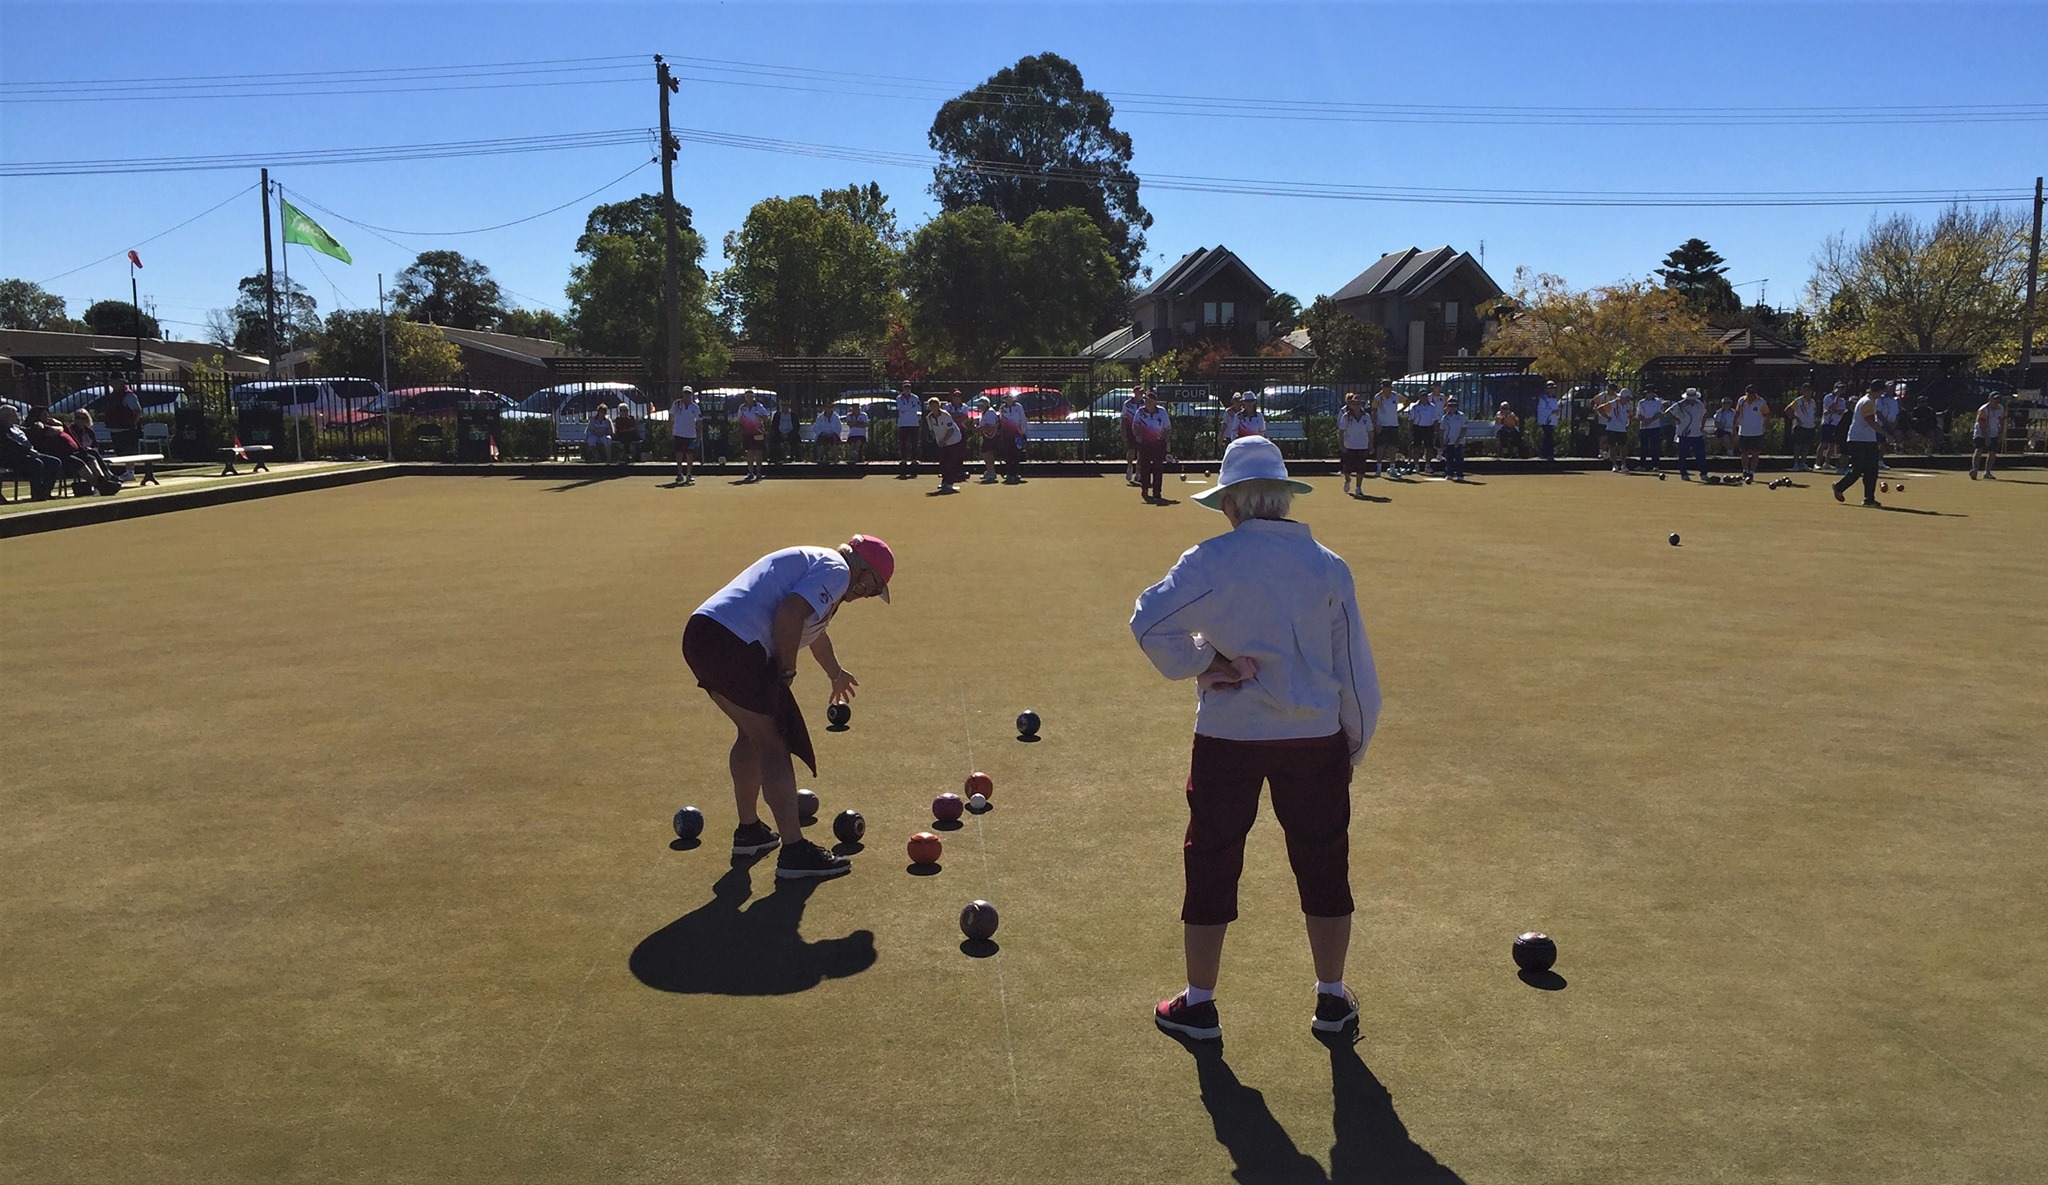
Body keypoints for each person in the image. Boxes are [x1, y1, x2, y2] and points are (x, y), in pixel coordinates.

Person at [1131, 435, 1381, 1042]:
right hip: (1314, 736)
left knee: (1212, 856)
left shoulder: (1208, 561)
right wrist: (1353, 742)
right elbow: (1354, 673)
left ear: (1231, 502)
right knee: (1324, 859)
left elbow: (1147, 622)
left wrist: (1203, 665)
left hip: (1227, 734)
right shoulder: (1327, 564)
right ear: (1281, 494)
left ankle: (1199, 1004)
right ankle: (1330, 1000)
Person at [682, 534, 895, 880]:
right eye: (874, 588)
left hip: (704, 635)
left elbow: (814, 632)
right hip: (732, 642)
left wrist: (835, 673)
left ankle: (750, 832)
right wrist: (786, 670)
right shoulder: (837, 570)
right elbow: (790, 614)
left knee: (751, 735)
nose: (867, 596)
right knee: (774, 741)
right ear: (866, 573)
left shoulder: (824, 569)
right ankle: (794, 851)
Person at [1833, 380, 1891, 507]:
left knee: (1872, 470)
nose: (1883, 394)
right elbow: (1870, 421)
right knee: (1858, 468)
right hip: (1858, 439)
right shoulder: (1867, 402)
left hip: (1868, 439)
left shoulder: (1870, 401)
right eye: (1882, 391)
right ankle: (1839, 487)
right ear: (1878, 390)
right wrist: (1886, 434)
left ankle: (1869, 499)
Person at [0, 404, 64, 501]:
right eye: (15, 414)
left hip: (30, 454)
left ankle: (46, 491)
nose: (17, 416)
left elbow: (31, 432)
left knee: (55, 462)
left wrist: (38, 425)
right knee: (36, 463)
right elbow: (11, 444)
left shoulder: (16, 428)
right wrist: (28, 450)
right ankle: (37, 494)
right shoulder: (2, 430)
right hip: (14, 458)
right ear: (7, 416)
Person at [1131, 388, 1171, 503]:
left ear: (1154, 402)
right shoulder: (1140, 411)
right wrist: (1137, 436)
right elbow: (1135, 425)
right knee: (1145, 467)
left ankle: (1157, 492)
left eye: (1149, 400)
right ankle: (1145, 489)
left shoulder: (1162, 412)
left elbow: (1168, 428)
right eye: (1146, 400)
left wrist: (1163, 437)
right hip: (1145, 443)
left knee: (1158, 468)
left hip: (1158, 444)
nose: (1147, 402)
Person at [924, 396, 964, 494]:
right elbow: (932, 430)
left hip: (954, 440)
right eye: (931, 406)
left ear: (938, 405)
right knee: (943, 463)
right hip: (941, 442)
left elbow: (951, 430)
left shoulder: (945, 415)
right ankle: (944, 482)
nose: (933, 407)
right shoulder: (929, 417)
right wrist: (934, 438)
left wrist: (944, 440)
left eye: (935, 405)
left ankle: (950, 483)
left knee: (951, 462)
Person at [104, 381, 143, 480]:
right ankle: (128, 472)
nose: (113, 384)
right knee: (121, 452)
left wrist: (132, 423)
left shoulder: (129, 395)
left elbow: (137, 411)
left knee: (129, 451)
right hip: (115, 429)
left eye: (115, 381)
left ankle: (130, 472)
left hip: (127, 429)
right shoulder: (113, 395)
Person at [1338, 392, 1373, 496]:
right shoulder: (1346, 416)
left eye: (1358, 404)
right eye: (1354, 404)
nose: (1356, 406)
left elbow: (1370, 432)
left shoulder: (1366, 417)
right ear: (1351, 405)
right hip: (1349, 446)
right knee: (1347, 469)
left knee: (1361, 468)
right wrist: (1341, 445)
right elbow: (1341, 432)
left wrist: (1370, 445)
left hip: (1362, 446)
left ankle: (1358, 488)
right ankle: (1347, 480)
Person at [1733, 384, 1770, 484]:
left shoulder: (1761, 402)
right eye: (1749, 393)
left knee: (1755, 453)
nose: (1751, 396)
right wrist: (1734, 428)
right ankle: (1745, 471)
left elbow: (1766, 415)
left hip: (1757, 432)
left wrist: (1765, 427)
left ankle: (1751, 472)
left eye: (1752, 394)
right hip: (1744, 430)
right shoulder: (1741, 400)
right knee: (1744, 452)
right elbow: (1737, 414)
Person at [1670, 387, 1710, 481]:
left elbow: (1705, 414)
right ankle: (1684, 473)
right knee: (1683, 455)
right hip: (1684, 434)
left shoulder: (1699, 404)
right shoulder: (1679, 405)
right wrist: (1677, 420)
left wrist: (1702, 426)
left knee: (1700, 455)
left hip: (1697, 433)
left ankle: (1703, 473)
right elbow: (1668, 412)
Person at [1369, 381, 1403, 477]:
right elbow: (1374, 412)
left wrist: (1399, 411)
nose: (1387, 389)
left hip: (1393, 425)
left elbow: (1407, 401)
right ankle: (1378, 468)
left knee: (1392, 447)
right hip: (1382, 425)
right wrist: (1375, 424)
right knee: (1380, 447)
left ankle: (1392, 468)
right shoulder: (1377, 397)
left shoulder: (1396, 396)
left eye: (1388, 387)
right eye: (1385, 387)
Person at [1595, 384, 1632, 473]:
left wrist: (1628, 423)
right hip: (1612, 428)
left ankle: (1623, 465)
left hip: (1622, 429)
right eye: (1627, 397)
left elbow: (1630, 415)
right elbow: (1599, 408)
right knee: (1612, 447)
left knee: (1623, 447)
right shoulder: (1613, 403)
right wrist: (1607, 417)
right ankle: (1614, 465)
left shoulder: (1628, 405)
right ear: (1623, 397)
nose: (1628, 399)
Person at [1407, 385, 1443, 475]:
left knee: (1429, 448)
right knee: (1416, 448)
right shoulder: (1415, 407)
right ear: (1419, 396)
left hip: (1428, 428)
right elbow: (1411, 420)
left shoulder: (1432, 407)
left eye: (1425, 395)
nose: (1424, 397)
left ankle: (1427, 466)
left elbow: (1435, 420)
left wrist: (1436, 432)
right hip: (1417, 428)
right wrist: (1410, 430)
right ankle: (1416, 466)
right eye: (1422, 395)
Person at [1971, 392, 2007, 480]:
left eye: (1998, 399)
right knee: (1979, 449)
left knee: (1992, 452)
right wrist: (1986, 437)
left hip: (1994, 432)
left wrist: (2001, 433)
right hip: (1980, 432)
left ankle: (1987, 472)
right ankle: (1975, 470)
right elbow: (1982, 425)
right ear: (1989, 399)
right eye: (1994, 399)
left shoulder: (2001, 408)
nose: (1996, 401)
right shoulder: (1983, 409)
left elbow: (2002, 421)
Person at [736, 393, 770, 482]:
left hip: (758, 432)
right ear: (745, 398)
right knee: (749, 453)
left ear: (753, 397)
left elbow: (766, 418)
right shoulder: (742, 407)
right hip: (747, 433)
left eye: (750, 396)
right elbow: (739, 419)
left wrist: (760, 416)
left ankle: (758, 472)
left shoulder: (759, 406)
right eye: (747, 396)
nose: (749, 398)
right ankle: (750, 472)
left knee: (758, 453)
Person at [1784, 384, 1818, 471]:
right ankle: (1795, 464)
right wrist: (1795, 417)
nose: (1808, 392)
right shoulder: (1798, 401)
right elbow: (1787, 409)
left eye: (1809, 390)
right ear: (1803, 391)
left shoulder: (1813, 402)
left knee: (1806, 445)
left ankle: (1803, 463)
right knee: (1798, 445)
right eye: (1806, 390)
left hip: (1810, 426)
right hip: (1800, 426)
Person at [670, 387, 700, 486]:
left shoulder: (695, 407)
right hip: (678, 433)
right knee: (679, 453)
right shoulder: (676, 404)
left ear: (691, 394)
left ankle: (689, 474)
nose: (687, 395)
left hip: (691, 434)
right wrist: (670, 430)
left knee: (689, 455)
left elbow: (699, 420)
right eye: (685, 393)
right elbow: (671, 417)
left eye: (689, 393)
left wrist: (699, 435)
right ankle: (679, 473)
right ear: (682, 393)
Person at [1633, 388, 1667, 473]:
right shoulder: (1641, 402)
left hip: (1655, 427)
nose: (1650, 394)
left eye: (1651, 393)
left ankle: (1655, 465)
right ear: (1646, 393)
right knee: (1643, 447)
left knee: (1654, 447)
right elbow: (1639, 414)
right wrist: (1645, 421)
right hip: (1644, 427)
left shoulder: (1658, 401)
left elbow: (1659, 413)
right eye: (1649, 393)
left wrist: (1650, 420)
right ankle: (1642, 465)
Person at [998, 389, 1028, 484]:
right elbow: (1001, 420)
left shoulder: (1019, 407)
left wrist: (1023, 432)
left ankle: (1015, 473)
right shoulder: (1002, 408)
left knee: (1016, 454)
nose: (1009, 400)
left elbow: (1023, 419)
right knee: (1007, 454)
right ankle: (1009, 473)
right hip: (1006, 434)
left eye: (1010, 398)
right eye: (1007, 398)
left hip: (1017, 434)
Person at [1818, 381, 1849, 473]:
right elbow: (1831, 408)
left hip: (1837, 424)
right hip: (1827, 423)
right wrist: (1836, 400)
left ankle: (1827, 463)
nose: (1840, 390)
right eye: (1839, 388)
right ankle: (1817, 463)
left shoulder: (1843, 401)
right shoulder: (1828, 397)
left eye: (1842, 388)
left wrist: (1833, 410)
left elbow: (1841, 411)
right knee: (1824, 443)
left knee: (1832, 445)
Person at [895, 383, 923, 478]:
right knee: (903, 443)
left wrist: (907, 409)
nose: (907, 389)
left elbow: (918, 408)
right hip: (903, 424)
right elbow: (901, 408)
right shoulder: (899, 398)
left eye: (909, 387)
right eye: (905, 388)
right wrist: (911, 408)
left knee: (914, 442)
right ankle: (903, 459)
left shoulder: (915, 397)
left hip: (914, 423)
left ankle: (914, 459)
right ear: (902, 388)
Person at [1120, 388, 1145, 486]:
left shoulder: (1145, 403)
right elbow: (1123, 419)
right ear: (1135, 393)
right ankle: (1130, 467)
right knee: (1131, 451)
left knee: (1141, 453)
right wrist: (1123, 432)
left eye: (1142, 392)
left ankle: (1138, 474)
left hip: (1142, 430)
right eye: (1139, 392)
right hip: (1130, 430)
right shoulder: (1127, 404)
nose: (1141, 394)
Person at [1440, 398, 1468, 482]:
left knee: (1459, 458)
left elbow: (1464, 429)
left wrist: (1458, 439)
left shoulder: (1461, 416)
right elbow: (1441, 430)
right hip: (1448, 441)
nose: (1452, 408)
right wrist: (1441, 441)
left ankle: (1460, 474)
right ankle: (1449, 473)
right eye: (1450, 406)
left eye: (1454, 406)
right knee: (1449, 458)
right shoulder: (1445, 417)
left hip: (1458, 442)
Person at [1876, 382, 1904, 470]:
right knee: (1877, 443)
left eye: (1893, 388)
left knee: (1884, 444)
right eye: (1890, 387)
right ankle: (1873, 461)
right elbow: (1878, 412)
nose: (1891, 389)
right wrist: (1886, 423)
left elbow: (1897, 414)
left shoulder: (1895, 400)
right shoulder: (1880, 399)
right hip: (1881, 424)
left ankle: (1880, 461)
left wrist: (1894, 424)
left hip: (1891, 425)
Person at [974, 396, 1000, 483]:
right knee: (986, 453)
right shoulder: (986, 412)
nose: (978, 406)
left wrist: (980, 428)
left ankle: (991, 473)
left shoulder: (990, 413)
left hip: (990, 437)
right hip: (987, 436)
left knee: (987, 454)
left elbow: (992, 427)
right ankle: (989, 471)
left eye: (980, 404)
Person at [1534, 381, 1561, 462]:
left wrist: (1556, 413)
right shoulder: (1543, 399)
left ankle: (1545, 453)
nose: (1552, 390)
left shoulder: (1554, 399)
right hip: (1546, 421)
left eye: (1553, 388)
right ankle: (1548, 453)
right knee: (1548, 437)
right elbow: (1542, 410)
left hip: (1552, 420)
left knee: (1548, 437)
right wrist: (1551, 412)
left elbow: (1556, 408)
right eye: (1550, 388)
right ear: (1546, 389)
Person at [612, 402, 641, 467]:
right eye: (622, 410)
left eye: (625, 410)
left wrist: (627, 429)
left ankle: (628, 454)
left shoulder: (631, 418)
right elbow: (619, 429)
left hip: (631, 435)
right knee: (625, 436)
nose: (624, 412)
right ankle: (627, 454)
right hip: (622, 435)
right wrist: (627, 429)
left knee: (628, 436)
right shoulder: (618, 419)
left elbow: (633, 427)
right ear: (619, 412)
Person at [844, 400, 869, 466]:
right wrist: (859, 423)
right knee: (852, 445)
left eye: (857, 408)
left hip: (861, 435)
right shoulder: (849, 415)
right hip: (852, 435)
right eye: (854, 408)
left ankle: (855, 457)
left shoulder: (864, 415)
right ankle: (857, 458)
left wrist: (855, 423)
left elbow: (865, 425)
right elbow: (850, 424)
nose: (855, 410)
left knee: (858, 443)